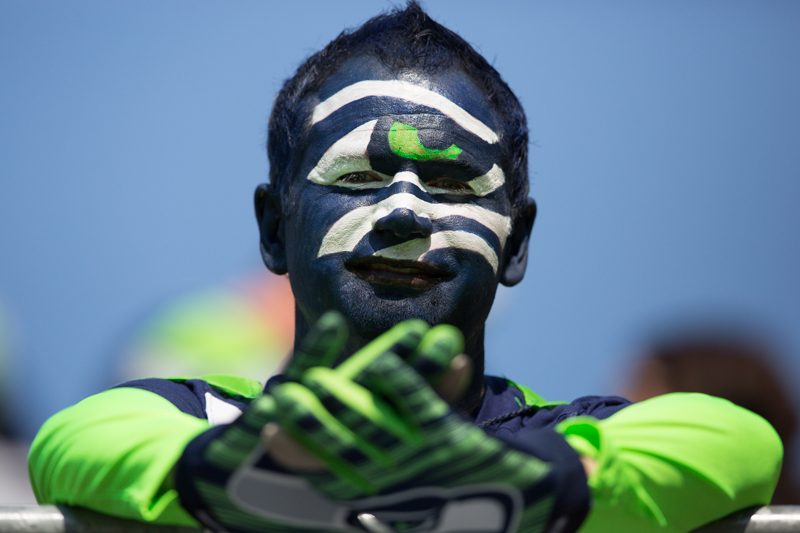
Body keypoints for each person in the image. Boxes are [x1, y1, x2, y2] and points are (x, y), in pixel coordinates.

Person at [28, 4, 782, 533]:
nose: (404, 214)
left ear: (516, 244)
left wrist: (513, 479)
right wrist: (241, 475)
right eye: (358, 177)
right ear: (274, 230)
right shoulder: (210, 426)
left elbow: (736, 441)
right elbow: (76, 439)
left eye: (454, 184)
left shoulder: (572, 439)